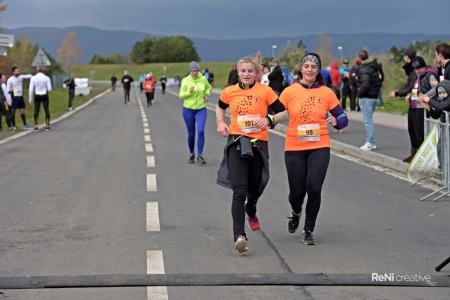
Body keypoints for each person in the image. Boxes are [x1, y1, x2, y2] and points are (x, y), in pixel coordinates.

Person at [216, 55, 286, 253]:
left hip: (259, 144)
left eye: (250, 71)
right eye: (243, 71)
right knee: (239, 190)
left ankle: (251, 208)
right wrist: (220, 123)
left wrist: (270, 119)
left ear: (256, 73)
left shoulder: (265, 91)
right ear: (238, 72)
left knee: (255, 187)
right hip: (237, 143)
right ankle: (239, 235)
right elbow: (220, 108)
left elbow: (283, 112)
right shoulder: (230, 91)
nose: (246, 74)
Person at [278, 52, 348, 245]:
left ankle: (308, 229)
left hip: (319, 145)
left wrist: (337, 122)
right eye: (306, 66)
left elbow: (342, 117)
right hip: (294, 146)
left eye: (313, 67)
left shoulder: (326, 93)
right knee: (296, 193)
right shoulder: (290, 91)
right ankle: (296, 212)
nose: (309, 69)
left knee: (314, 188)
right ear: (301, 69)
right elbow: (274, 111)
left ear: (318, 70)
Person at [388, 47, 418, 162]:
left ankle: (417, 155)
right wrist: (400, 92)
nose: (404, 59)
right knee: (412, 128)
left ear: (407, 57)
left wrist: (397, 93)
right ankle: (414, 153)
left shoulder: (414, 70)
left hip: (417, 104)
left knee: (415, 129)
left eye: (404, 56)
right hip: (413, 101)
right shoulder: (411, 70)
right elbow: (408, 87)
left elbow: (410, 87)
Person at [179, 61, 211, 165]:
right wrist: (189, 92)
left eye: (196, 70)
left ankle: (200, 155)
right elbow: (181, 95)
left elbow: (208, 87)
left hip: (201, 109)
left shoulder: (203, 79)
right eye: (193, 71)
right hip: (188, 109)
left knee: (201, 131)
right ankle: (192, 153)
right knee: (191, 133)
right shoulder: (185, 81)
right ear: (190, 71)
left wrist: (206, 94)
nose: (195, 73)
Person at [419, 80, 450, 169]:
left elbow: (441, 107)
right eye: (440, 93)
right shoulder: (440, 100)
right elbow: (436, 115)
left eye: (444, 92)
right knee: (440, 148)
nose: (442, 95)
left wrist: (429, 100)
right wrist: (428, 108)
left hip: (448, 127)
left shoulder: (448, 100)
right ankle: (443, 169)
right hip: (445, 127)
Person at [357, 50, 382, 151]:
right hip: (374, 96)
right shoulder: (374, 67)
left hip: (366, 97)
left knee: (368, 121)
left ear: (359, 58)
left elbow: (365, 84)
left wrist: (359, 93)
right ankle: (371, 142)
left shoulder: (364, 69)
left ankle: (370, 142)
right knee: (369, 119)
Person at [29, 66, 52, 132]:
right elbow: (50, 89)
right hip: (44, 94)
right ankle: (47, 125)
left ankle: (36, 125)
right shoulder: (47, 78)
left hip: (37, 95)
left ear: (37, 70)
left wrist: (30, 99)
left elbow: (31, 89)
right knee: (46, 109)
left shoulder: (33, 78)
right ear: (43, 70)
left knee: (36, 110)